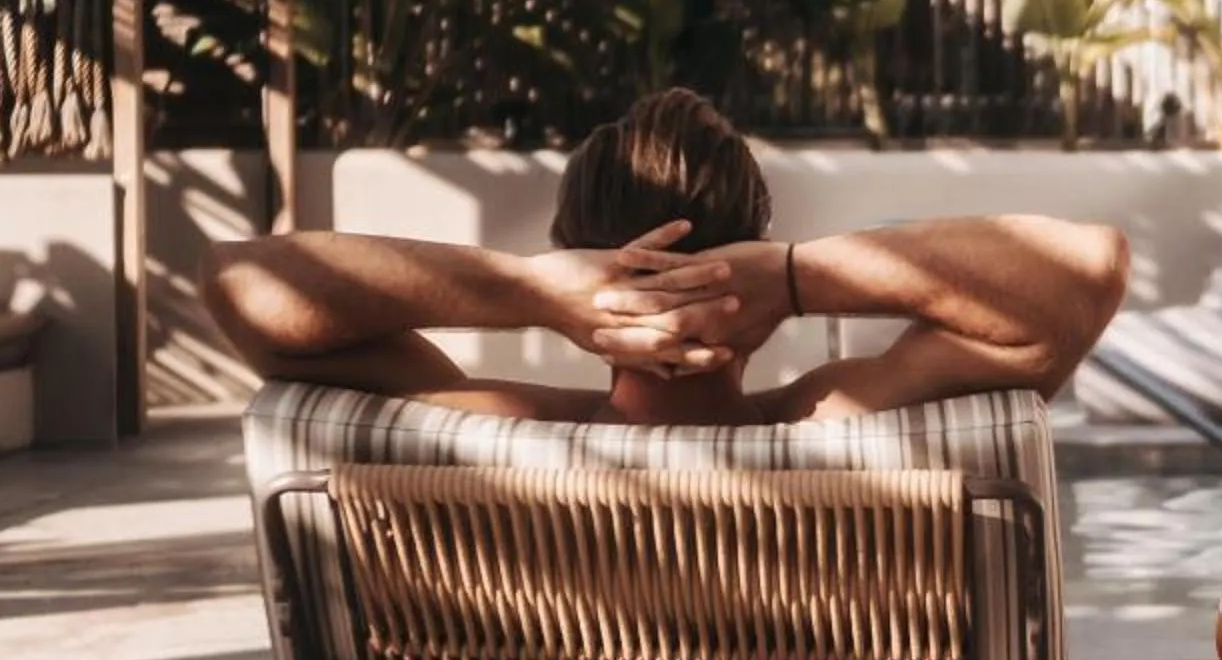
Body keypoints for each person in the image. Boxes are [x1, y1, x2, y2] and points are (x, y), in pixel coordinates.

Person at [204, 87, 1129, 424]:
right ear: (754, 239)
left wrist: (527, 291)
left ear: (570, 251)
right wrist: (795, 279)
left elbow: (242, 283)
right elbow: (1084, 271)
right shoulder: (842, 424)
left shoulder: (486, 432)